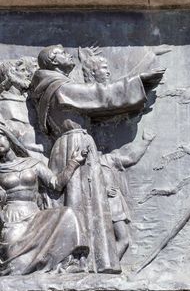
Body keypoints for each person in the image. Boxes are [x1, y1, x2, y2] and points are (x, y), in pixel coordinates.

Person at [30, 44, 165, 273]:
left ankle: (89, 261)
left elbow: (98, 107)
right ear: (53, 61)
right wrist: (137, 83)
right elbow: (99, 97)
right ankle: (79, 260)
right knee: (80, 201)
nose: (68, 55)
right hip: (76, 147)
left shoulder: (50, 88)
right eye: (62, 52)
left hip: (67, 146)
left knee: (83, 201)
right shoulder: (60, 87)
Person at [0, 124, 89, 275]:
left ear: (9, 137)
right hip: (12, 218)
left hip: (36, 216)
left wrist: (74, 162)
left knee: (67, 214)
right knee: (15, 265)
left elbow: (56, 184)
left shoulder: (32, 163)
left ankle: (70, 262)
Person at [100, 130, 155, 259]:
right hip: (103, 207)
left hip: (114, 205)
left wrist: (146, 142)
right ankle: (108, 266)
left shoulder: (108, 159)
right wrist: (103, 191)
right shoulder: (86, 164)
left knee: (122, 240)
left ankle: (108, 265)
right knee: (122, 239)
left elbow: (131, 158)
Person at [0, 57, 50, 161]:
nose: (27, 74)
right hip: (29, 160)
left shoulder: (31, 100)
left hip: (45, 153)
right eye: (22, 70)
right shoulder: (4, 104)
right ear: (10, 75)